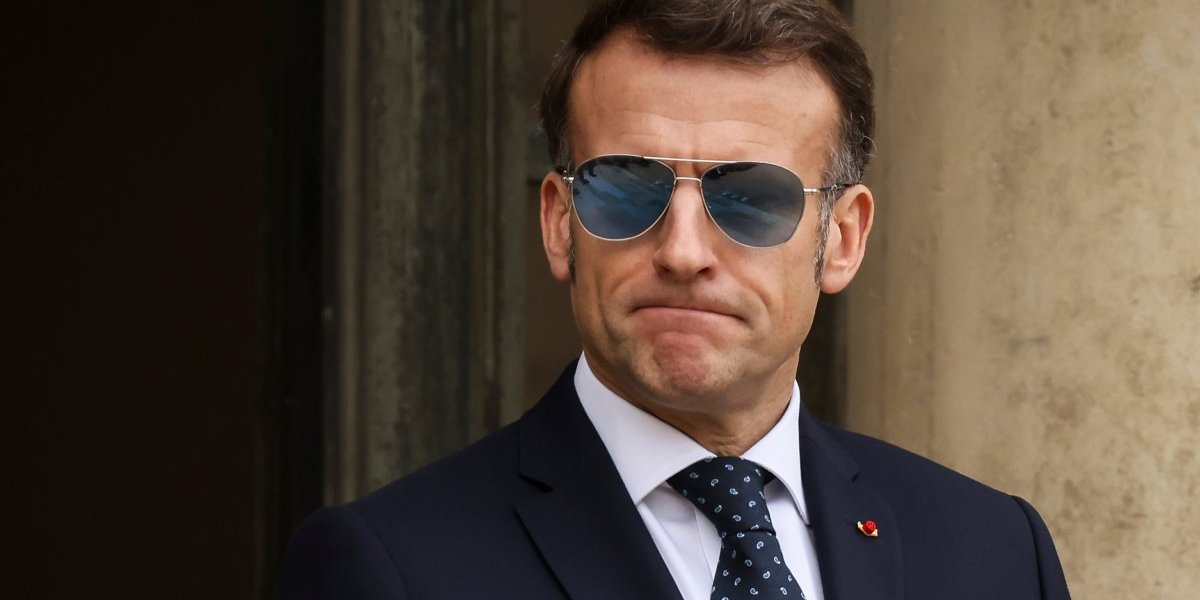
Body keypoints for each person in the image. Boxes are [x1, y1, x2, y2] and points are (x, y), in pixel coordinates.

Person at [278, 1, 1071, 598]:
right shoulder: (392, 568)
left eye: (751, 198)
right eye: (627, 188)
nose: (684, 252)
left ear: (843, 239)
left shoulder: (995, 553)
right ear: (558, 223)